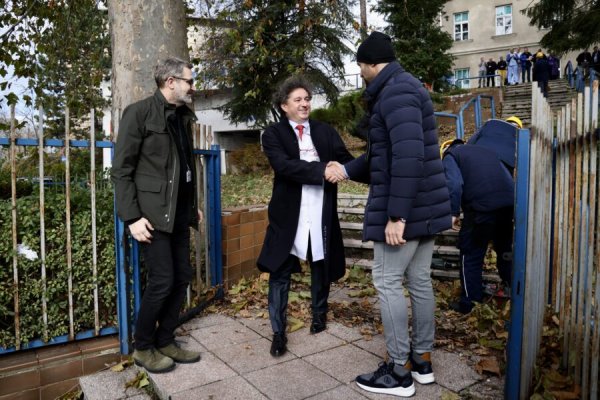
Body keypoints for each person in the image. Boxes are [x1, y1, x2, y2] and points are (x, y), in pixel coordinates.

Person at [329, 31, 451, 398]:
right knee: (419, 281)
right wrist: (347, 169)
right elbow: (388, 154)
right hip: (425, 206)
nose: (361, 74)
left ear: (372, 65)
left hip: (407, 210)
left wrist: (397, 215)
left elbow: (408, 157)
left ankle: (399, 372)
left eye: (361, 67)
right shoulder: (404, 88)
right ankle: (422, 360)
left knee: (386, 281)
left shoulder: (395, 93)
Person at [112, 57, 203, 373]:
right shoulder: (139, 114)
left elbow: (183, 166)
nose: (192, 87)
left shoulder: (181, 117)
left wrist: (192, 207)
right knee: (162, 281)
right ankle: (143, 346)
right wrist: (131, 218)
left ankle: (165, 340)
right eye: (189, 81)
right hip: (151, 216)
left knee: (181, 278)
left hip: (178, 213)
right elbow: (122, 170)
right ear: (171, 82)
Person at [257, 76, 354, 358]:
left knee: (320, 265)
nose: (304, 104)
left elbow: (345, 159)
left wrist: (344, 169)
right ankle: (278, 332)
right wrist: (323, 170)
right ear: (284, 106)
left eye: (307, 99)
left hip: (320, 210)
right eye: (298, 99)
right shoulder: (273, 134)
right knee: (279, 272)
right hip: (288, 215)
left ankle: (319, 316)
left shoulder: (324, 131)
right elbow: (284, 166)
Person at [440, 138, 514, 315]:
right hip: (508, 206)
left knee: (471, 254)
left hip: (481, 209)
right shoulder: (486, 150)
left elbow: (455, 184)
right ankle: (512, 288)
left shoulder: (451, 155)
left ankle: (470, 303)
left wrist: (453, 213)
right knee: (505, 250)